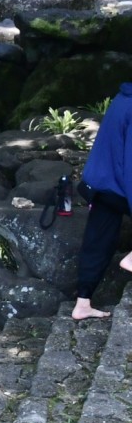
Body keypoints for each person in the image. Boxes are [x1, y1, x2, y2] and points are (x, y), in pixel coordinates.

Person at [73, 81, 132, 319]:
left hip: (98, 182)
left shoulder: (122, 98)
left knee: (98, 242)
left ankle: (82, 304)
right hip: (117, 185)